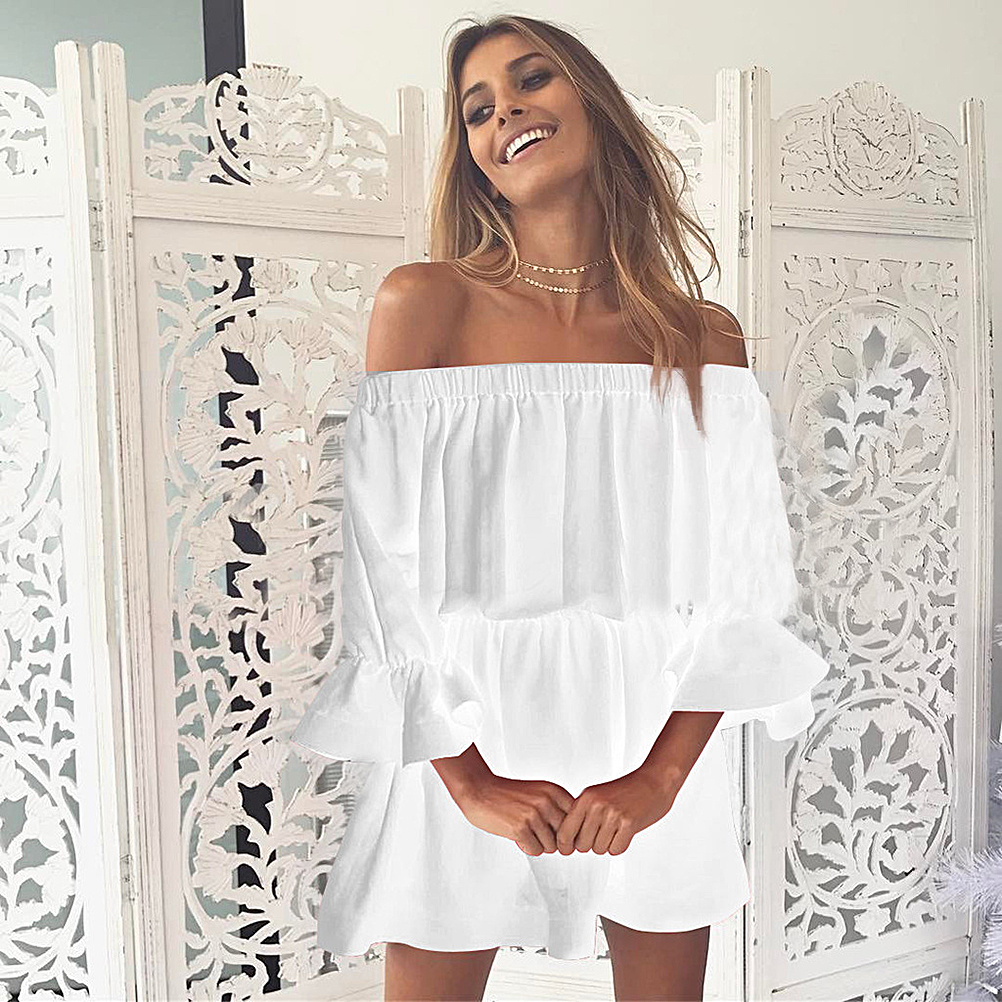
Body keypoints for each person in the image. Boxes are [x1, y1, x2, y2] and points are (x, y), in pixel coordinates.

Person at [290, 14, 829, 1002]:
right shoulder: (425, 304)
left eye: (532, 81)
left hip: (655, 721)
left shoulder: (701, 338)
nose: (506, 114)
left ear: (594, 104)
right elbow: (382, 569)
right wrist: (471, 782)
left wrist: (661, 777)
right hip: (465, 724)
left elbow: (740, 587)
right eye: (478, 110)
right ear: (472, 155)